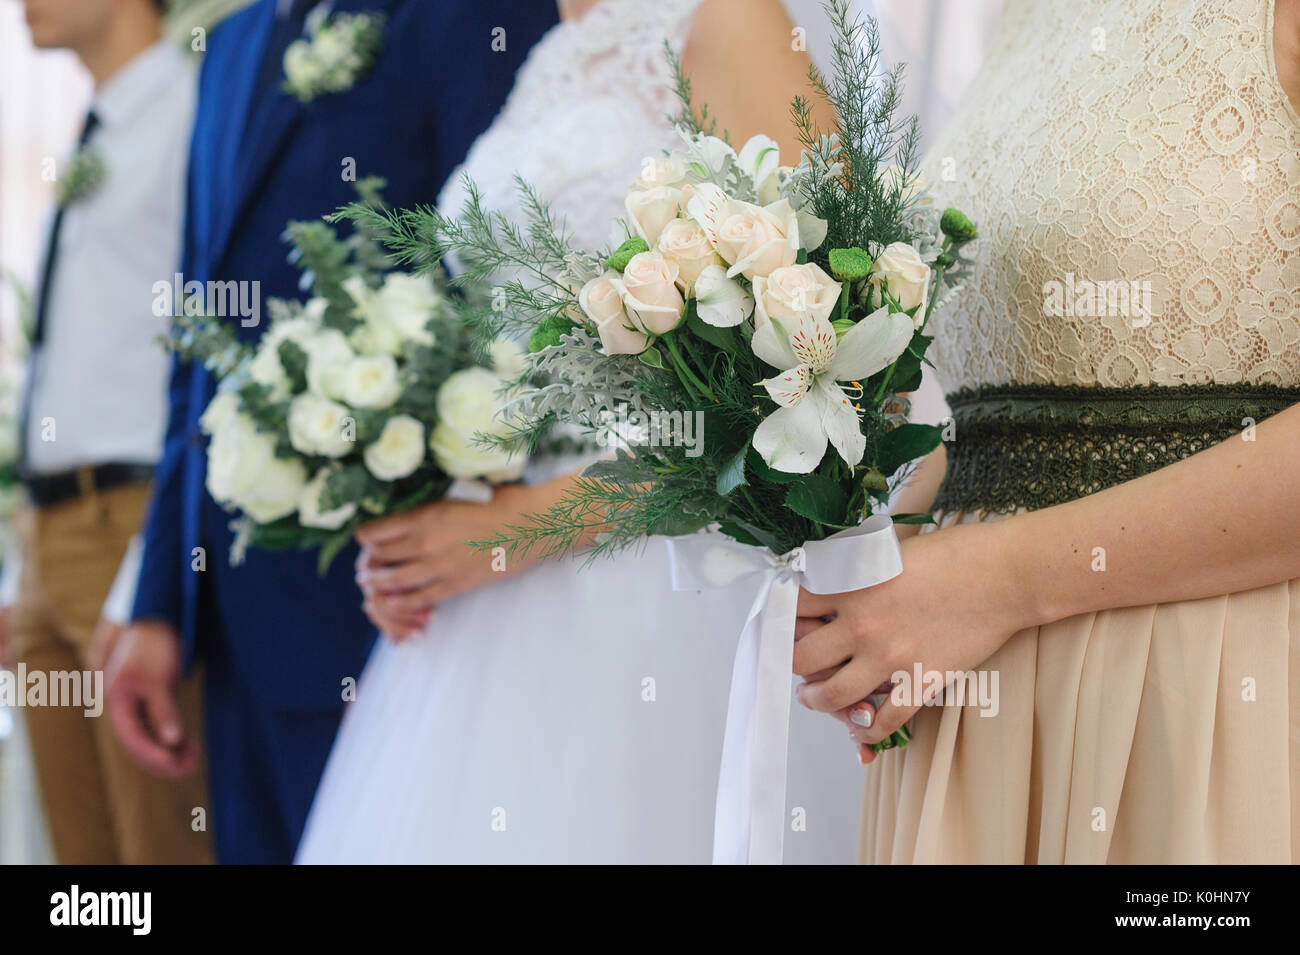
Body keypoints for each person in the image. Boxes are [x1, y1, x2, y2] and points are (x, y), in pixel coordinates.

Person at [297, 0, 866, 865]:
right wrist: (430, 520)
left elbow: (823, 366)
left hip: (672, 584)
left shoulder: (727, 20)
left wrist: (521, 526)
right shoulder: (546, 54)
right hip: (488, 610)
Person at [795, 0, 1300, 863]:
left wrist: (997, 579)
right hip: (980, 714)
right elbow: (1009, 407)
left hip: (1206, 693)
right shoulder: (1026, 16)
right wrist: (878, 564)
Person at [105, 0, 558, 864]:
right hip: (231, 611)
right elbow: (196, 348)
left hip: (393, 600)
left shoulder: (474, 16)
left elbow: (502, 297)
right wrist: (158, 602)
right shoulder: (230, 44)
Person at [5, 0, 210, 864]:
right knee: (81, 872)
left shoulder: (192, 114)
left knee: (158, 848)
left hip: (130, 525)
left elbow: (208, 355)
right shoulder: (95, 134)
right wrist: (27, 564)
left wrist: (147, 577)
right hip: (53, 537)